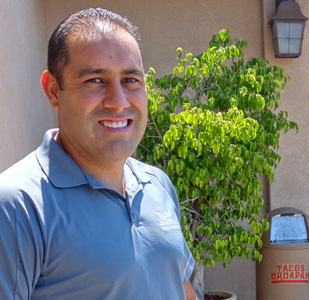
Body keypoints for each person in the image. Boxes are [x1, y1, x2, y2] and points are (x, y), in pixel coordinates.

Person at [0, 7, 197, 300]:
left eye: (131, 80)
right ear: (54, 90)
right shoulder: (17, 207)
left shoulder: (157, 184)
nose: (118, 102)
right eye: (95, 81)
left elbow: (178, 287)